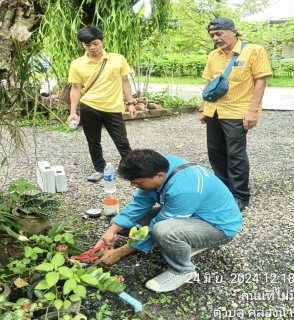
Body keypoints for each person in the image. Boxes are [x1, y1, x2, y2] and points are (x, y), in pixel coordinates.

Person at [94, 149, 242, 292]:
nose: (133, 185)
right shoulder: (161, 165)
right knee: (118, 222)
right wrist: (111, 231)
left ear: (159, 175)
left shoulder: (184, 189)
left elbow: (154, 227)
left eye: (138, 182)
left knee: (163, 230)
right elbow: (139, 204)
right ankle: (182, 243)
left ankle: (182, 271)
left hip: (218, 226)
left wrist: (118, 253)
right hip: (188, 212)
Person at [199, 18, 272, 211]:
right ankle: (224, 190)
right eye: (212, 35)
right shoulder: (213, 55)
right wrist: (202, 108)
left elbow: (260, 81)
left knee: (235, 154)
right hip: (214, 110)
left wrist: (252, 111)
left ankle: (240, 195)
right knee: (215, 152)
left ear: (233, 31)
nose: (215, 38)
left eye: (219, 34)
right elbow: (209, 83)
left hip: (237, 111)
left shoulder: (254, 51)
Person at [67, 26, 137, 182]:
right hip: (89, 106)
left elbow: (125, 81)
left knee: (122, 141)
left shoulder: (118, 59)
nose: (92, 48)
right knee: (93, 141)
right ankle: (99, 169)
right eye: (87, 45)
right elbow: (76, 88)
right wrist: (73, 112)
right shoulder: (77, 64)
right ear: (82, 44)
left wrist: (131, 103)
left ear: (102, 41)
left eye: (95, 43)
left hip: (113, 108)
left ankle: (132, 168)